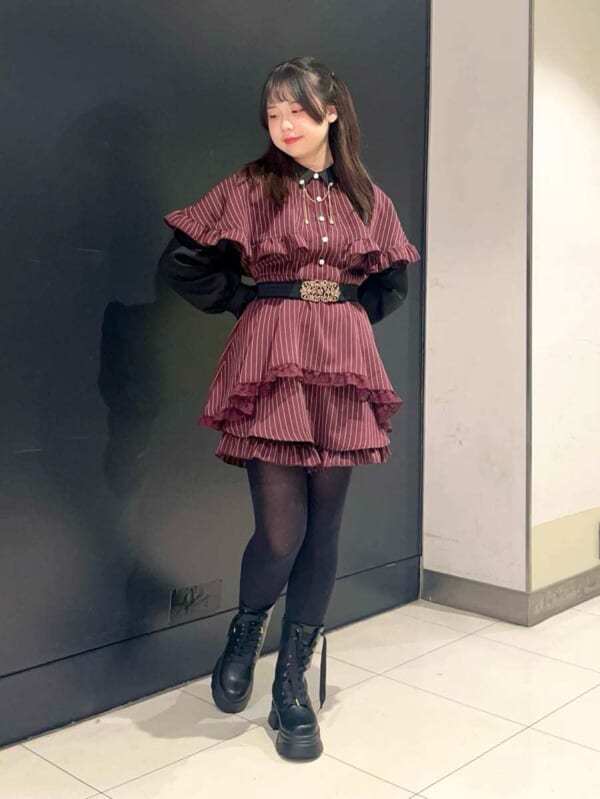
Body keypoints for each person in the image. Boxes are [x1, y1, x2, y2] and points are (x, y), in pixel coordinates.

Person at [157, 56, 421, 761]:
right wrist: (254, 302)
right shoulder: (250, 186)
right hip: (271, 360)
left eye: (297, 111)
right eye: (273, 114)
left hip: (341, 366)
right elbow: (182, 262)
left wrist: (344, 322)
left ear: (331, 112)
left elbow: (392, 282)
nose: (283, 125)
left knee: (324, 528)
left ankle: (291, 682)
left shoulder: (368, 198)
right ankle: (247, 630)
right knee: (281, 532)